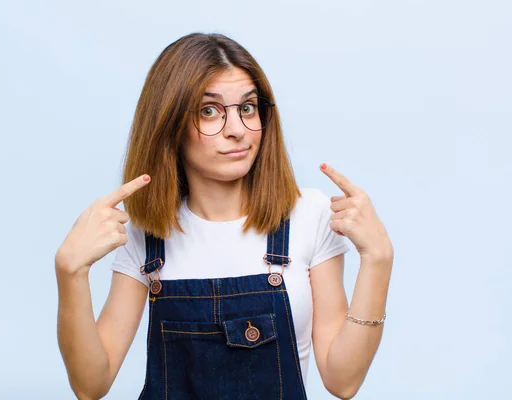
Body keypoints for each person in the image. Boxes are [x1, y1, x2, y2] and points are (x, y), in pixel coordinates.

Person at [54, 32, 394, 400]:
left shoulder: (308, 216)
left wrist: (378, 259)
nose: (237, 130)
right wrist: (70, 272)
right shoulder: (146, 235)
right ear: (169, 126)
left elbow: (342, 381)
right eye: (209, 111)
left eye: (247, 108)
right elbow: (90, 385)